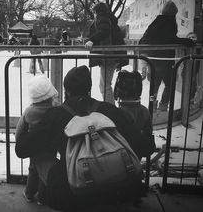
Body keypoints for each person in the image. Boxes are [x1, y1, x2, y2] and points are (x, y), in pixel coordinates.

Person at [15, 65, 154, 211]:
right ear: (89, 88)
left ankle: (44, 194)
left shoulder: (55, 115)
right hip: (119, 189)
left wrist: (27, 127)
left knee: (38, 153)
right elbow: (146, 148)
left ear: (66, 91)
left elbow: (22, 150)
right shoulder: (109, 110)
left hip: (73, 193)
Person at [139, 1, 195, 111]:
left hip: (154, 59)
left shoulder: (157, 21)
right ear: (173, 13)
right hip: (164, 60)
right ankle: (163, 106)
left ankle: (152, 106)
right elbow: (170, 39)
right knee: (170, 85)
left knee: (154, 87)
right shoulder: (168, 22)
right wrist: (187, 41)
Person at [16, 75, 58, 205]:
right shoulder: (55, 109)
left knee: (33, 170)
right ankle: (42, 197)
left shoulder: (29, 112)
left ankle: (29, 194)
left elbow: (20, 129)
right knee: (46, 171)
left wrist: (20, 141)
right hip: (50, 146)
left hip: (34, 147)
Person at [85, 2, 128, 105]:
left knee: (105, 86)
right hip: (111, 55)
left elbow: (104, 31)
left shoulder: (102, 18)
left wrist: (92, 40)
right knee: (103, 85)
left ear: (96, 11)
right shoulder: (108, 19)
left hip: (109, 56)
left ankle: (111, 109)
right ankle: (111, 107)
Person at [114, 70, 156, 158]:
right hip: (138, 154)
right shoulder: (144, 111)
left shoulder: (117, 113)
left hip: (120, 155)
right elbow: (148, 134)